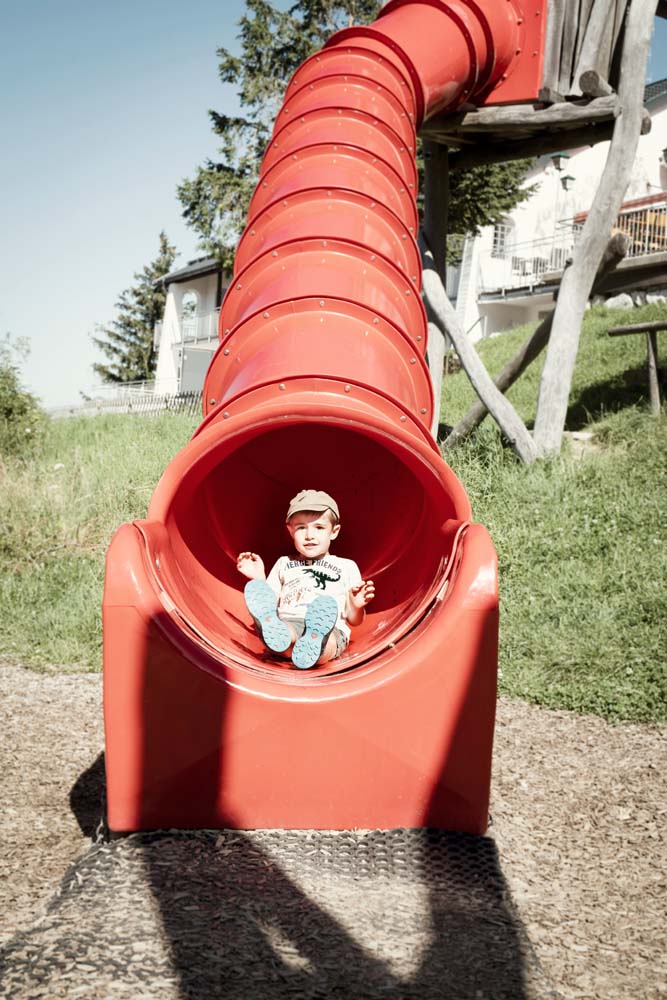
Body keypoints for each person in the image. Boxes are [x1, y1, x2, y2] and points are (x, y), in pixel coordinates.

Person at [237, 489, 375, 669]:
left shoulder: (346, 566)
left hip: (329, 628)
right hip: (289, 622)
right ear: (290, 530)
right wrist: (259, 578)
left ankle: (314, 644)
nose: (309, 535)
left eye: (319, 527)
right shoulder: (284, 563)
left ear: (334, 531)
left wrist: (356, 605)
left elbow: (354, 620)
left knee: (328, 644)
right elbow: (270, 598)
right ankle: (273, 629)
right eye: (301, 527)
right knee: (284, 637)